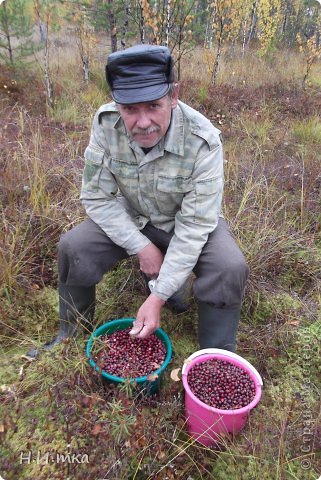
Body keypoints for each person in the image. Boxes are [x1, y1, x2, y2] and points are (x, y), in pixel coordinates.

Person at [27, 44, 249, 359]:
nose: (142, 122)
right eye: (130, 109)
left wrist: (157, 297)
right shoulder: (106, 124)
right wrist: (142, 248)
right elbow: (96, 196)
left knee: (229, 267)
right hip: (135, 218)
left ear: (174, 96)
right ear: (117, 104)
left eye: (153, 106)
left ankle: (214, 358)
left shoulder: (204, 140)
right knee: (74, 247)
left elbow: (197, 224)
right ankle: (70, 339)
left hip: (186, 222)